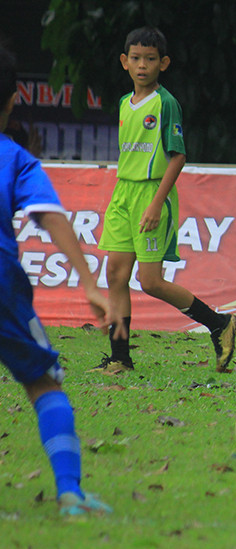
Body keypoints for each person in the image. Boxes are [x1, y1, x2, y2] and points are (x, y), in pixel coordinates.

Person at [1, 45, 119, 515]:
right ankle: (70, 491)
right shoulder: (16, 159)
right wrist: (89, 283)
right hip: (3, 287)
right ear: (12, 102)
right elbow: (49, 215)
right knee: (45, 383)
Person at [93, 27, 236, 375]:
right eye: (137, 58)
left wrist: (157, 203)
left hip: (151, 193)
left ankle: (218, 323)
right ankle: (120, 358)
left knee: (151, 280)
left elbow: (177, 157)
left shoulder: (166, 103)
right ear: (125, 62)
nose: (143, 65)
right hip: (123, 192)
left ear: (164, 63)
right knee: (115, 274)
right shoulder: (124, 104)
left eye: (151, 59)